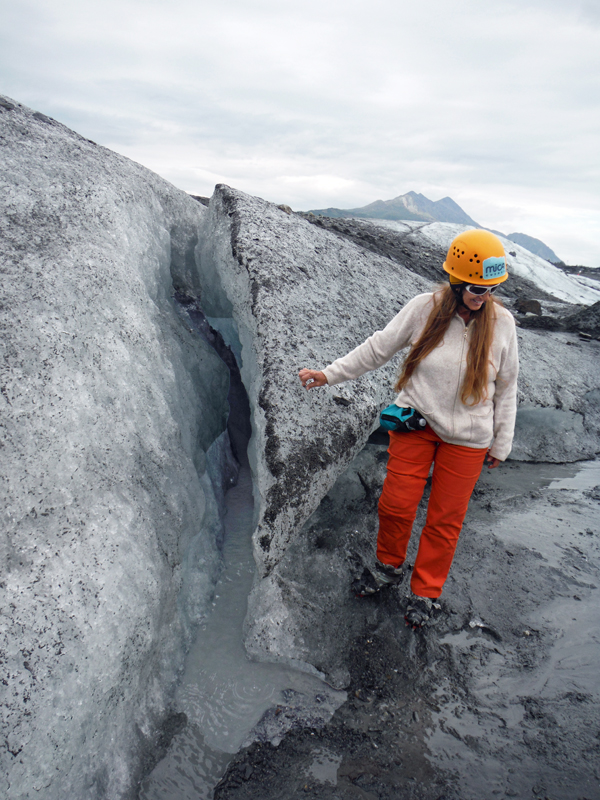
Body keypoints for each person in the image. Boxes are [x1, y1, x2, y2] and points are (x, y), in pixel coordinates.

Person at [298, 229, 519, 628]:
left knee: (444, 520)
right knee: (396, 504)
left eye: (491, 288)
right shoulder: (424, 308)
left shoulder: (502, 324)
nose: (482, 296)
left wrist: (501, 443)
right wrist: (329, 374)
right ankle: (388, 567)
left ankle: (426, 592)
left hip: (468, 438)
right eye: (474, 287)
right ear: (455, 279)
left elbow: (507, 386)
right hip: (417, 422)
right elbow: (379, 347)